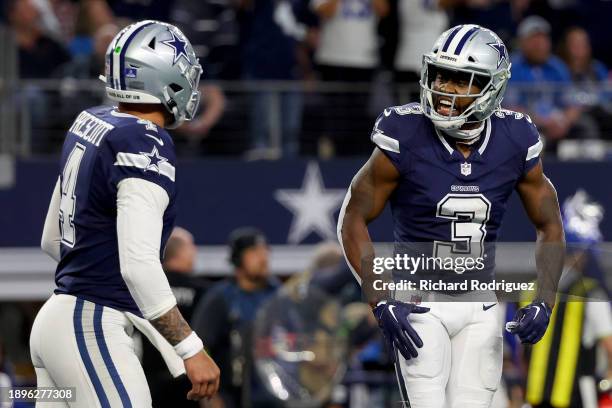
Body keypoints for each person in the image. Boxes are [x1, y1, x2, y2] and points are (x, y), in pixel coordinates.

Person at [337, 24, 565, 407]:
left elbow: (550, 223)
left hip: (482, 304)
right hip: (418, 300)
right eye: (441, 74)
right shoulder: (404, 133)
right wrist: (378, 296)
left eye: (461, 80)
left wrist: (544, 299)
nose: (445, 88)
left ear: (491, 87)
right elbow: (352, 217)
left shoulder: (515, 139)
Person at [30, 20, 220, 407]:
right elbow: (138, 265)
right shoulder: (143, 142)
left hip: (56, 323)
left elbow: (53, 237)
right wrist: (189, 347)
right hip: (90, 326)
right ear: (162, 76)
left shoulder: (95, 122)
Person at [523, 190, 612, 408]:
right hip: (578, 393)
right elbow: (610, 345)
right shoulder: (590, 293)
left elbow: (521, 349)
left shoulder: (530, 290)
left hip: (535, 394)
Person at [192, 227, 280, 407]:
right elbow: (200, 347)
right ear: (238, 258)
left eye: (265, 251)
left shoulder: (279, 295)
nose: (263, 258)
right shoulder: (221, 297)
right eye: (255, 252)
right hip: (232, 395)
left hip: (276, 395)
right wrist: (211, 395)